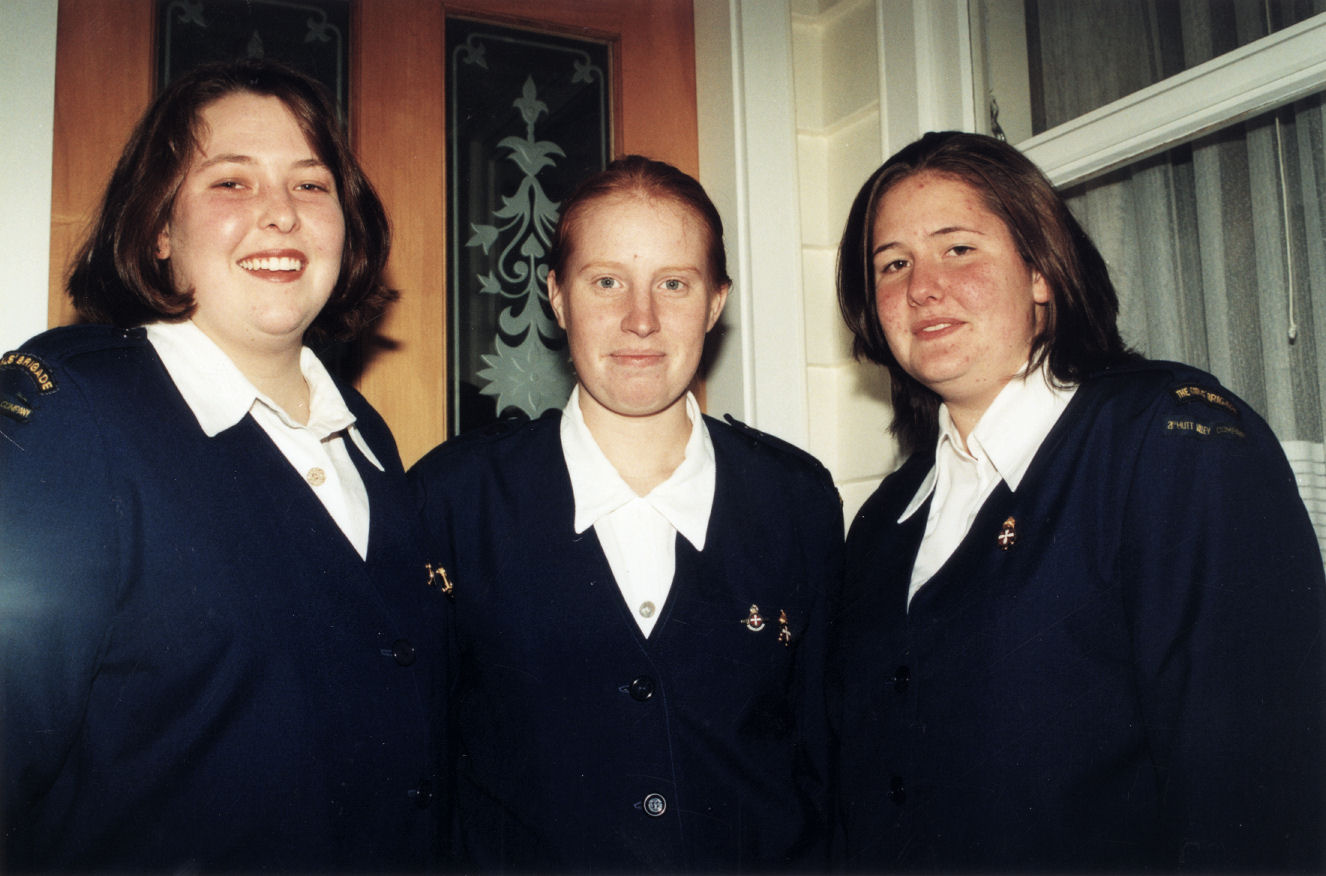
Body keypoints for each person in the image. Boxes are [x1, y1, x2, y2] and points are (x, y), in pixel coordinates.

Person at [831, 130, 1324, 871]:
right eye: (892, 264)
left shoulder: (1171, 439)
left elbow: (1260, 797)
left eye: (958, 248)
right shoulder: (882, 521)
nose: (922, 286)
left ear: (1041, 272)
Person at [0, 60, 449, 871]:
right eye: (231, 183)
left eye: (311, 186)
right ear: (158, 230)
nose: (279, 215)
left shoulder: (369, 440)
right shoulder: (72, 410)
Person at [411, 155, 842, 871]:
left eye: (673, 285)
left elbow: (823, 762)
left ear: (714, 303)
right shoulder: (454, 499)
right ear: (555, 297)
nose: (640, 320)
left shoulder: (795, 501)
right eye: (606, 282)